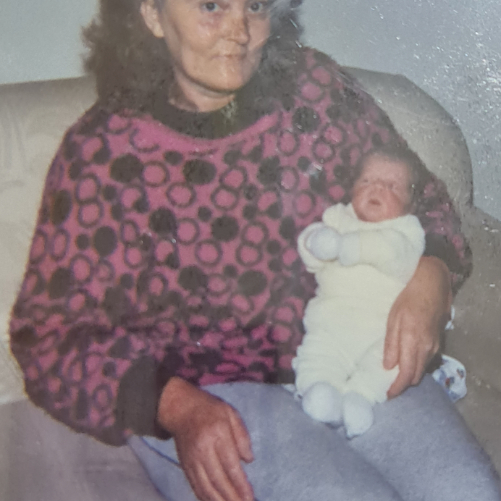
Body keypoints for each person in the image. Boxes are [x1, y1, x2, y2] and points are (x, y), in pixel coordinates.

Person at [8, 0, 501, 500]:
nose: (239, 30)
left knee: (471, 492)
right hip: (209, 394)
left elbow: (422, 196)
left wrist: (432, 270)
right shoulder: (103, 153)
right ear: (152, 15)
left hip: (352, 349)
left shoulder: (316, 91)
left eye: (257, 5)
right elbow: (49, 335)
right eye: (212, 6)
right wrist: (175, 406)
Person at [293, 146, 427, 438]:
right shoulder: (338, 218)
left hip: (382, 331)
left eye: (391, 186)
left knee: (390, 362)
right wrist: (315, 242)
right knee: (317, 353)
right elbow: (311, 256)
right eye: (367, 181)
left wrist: (348, 246)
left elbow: (397, 256)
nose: (376, 188)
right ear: (352, 188)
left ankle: (361, 396)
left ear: (410, 203)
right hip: (332, 321)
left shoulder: (407, 229)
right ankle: (321, 392)